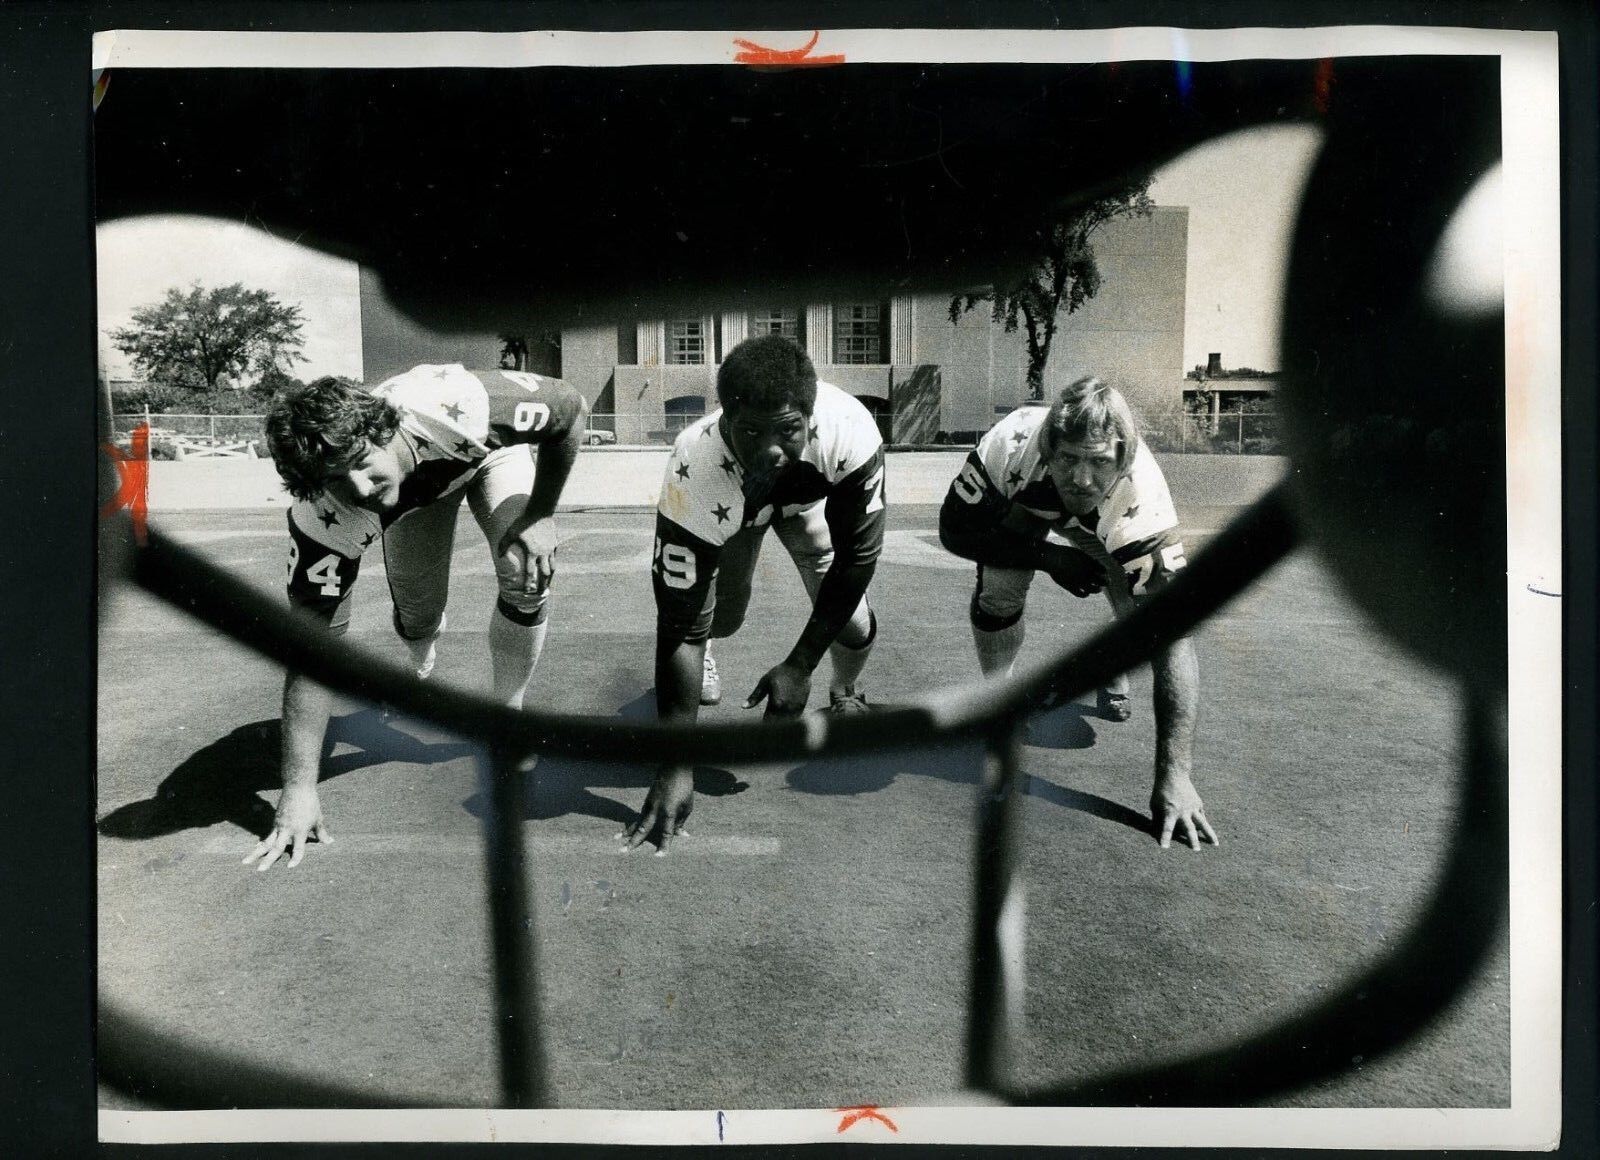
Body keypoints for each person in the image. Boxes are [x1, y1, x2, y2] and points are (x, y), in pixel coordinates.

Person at [245, 363, 587, 871]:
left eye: (361, 460)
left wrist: (540, 513)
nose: (359, 486)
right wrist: (298, 789)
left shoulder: (464, 404)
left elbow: (571, 411)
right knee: (420, 614)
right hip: (413, 499)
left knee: (525, 569)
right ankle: (421, 644)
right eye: (335, 479)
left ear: (381, 430)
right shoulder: (323, 519)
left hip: (483, 455)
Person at [623, 334, 885, 854]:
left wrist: (801, 664)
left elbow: (857, 558)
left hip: (811, 506)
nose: (770, 448)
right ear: (724, 419)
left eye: (787, 429)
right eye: (750, 430)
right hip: (737, 507)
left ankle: (845, 693)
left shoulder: (849, 429)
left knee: (851, 622)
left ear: (810, 418)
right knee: (717, 619)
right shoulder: (695, 464)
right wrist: (676, 764)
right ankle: (714, 652)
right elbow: (677, 626)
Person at [938, 375, 1218, 850]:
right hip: (1027, 506)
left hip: (1110, 523)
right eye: (1068, 458)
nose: (1081, 479)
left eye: (1099, 461)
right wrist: (1050, 558)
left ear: (1124, 457)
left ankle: (1115, 664)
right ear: (1048, 447)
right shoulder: (1013, 442)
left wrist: (1177, 776)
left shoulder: (1141, 498)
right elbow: (954, 530)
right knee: (998, 593)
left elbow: (1175, 639)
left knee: (1143, 609)